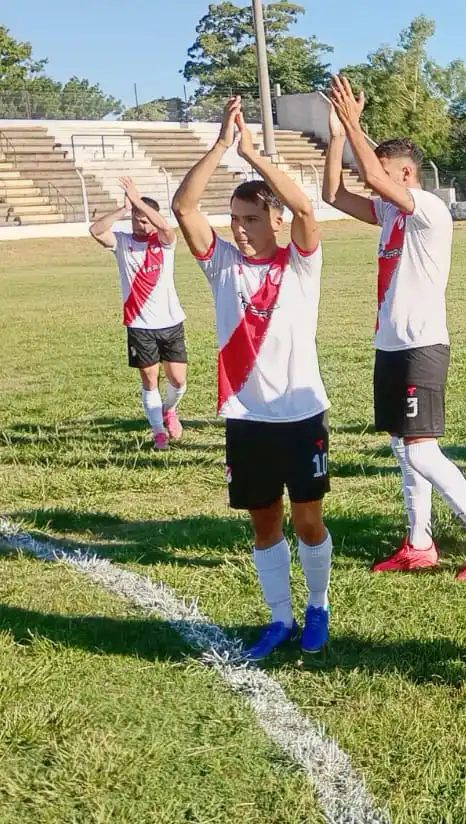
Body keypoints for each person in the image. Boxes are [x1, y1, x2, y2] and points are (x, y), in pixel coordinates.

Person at [322, 75, 466, 582]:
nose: (374, 182)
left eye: (383, 174)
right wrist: (338, 134)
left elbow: (367, 177)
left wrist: (354, 123)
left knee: (422, 449)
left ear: (406, 172)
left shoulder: (428, 208)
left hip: (421, 345)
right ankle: (420, 542)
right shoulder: (389, 213)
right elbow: (334, 194)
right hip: (390, 344)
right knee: (404, 449)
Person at [170, 97, 334, 659]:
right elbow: (183, 208)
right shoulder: (221, 265)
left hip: (302, 413)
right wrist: (220, 147)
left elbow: (307, 210)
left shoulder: (300, 262)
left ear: (275, 221)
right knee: (265, 524)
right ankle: (279, 620)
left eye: (253, 219)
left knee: (308, 521)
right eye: (235, 220)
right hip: (246, 417)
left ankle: (318, 606)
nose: (240, 230)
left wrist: (256, 156)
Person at [89, 176, 188, 450]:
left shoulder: (165, 243)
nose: (139, 223)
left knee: (178, 380)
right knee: (149, 378)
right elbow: (96, 230)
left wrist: (139, 203)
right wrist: (124, 208)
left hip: (171, 322)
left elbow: (167, 227)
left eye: (144, 218)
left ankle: (169, 410)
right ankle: (158, 431)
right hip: (139, 324)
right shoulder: (121, 242)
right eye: (135, 217)